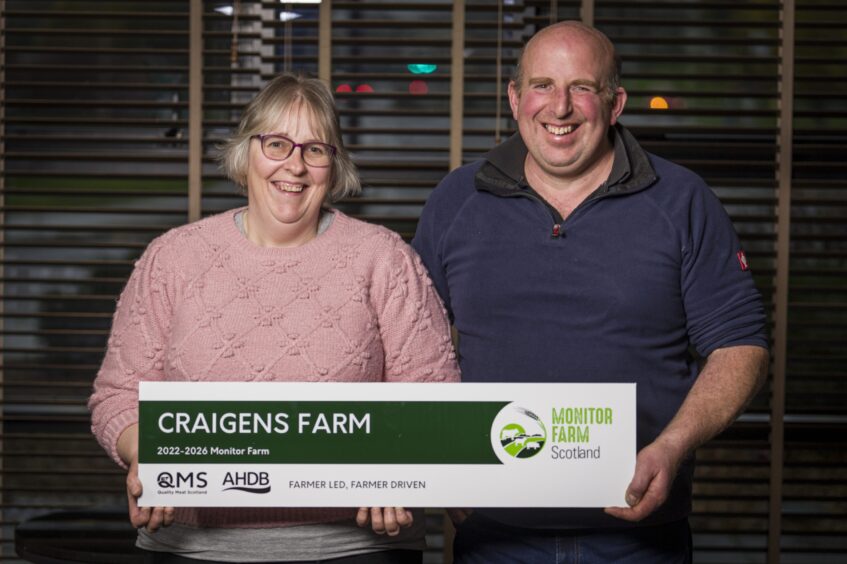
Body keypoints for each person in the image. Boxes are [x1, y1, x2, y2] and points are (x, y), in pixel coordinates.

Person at [412, 21, 769, 563]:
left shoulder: (682, 201)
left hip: (639, 537)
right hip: (494, 534)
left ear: (615, 101)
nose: (560, 108)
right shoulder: (457, 199)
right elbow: (408, 345)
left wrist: (672, 447)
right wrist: (436, 473)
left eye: (581, 86)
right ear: (514, 98)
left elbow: (741, 346)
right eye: (542, 85)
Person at [89, 73, 460, 564]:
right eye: (277, 144)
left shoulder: (384, 258)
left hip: (353, 547)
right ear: (247, 154)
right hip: (188, 548)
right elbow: (118, 396)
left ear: (334, 165)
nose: (295, 166)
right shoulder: (172, 258)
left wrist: (398, 467)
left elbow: (435, 396)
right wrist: (144, 454)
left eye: (315, 150)